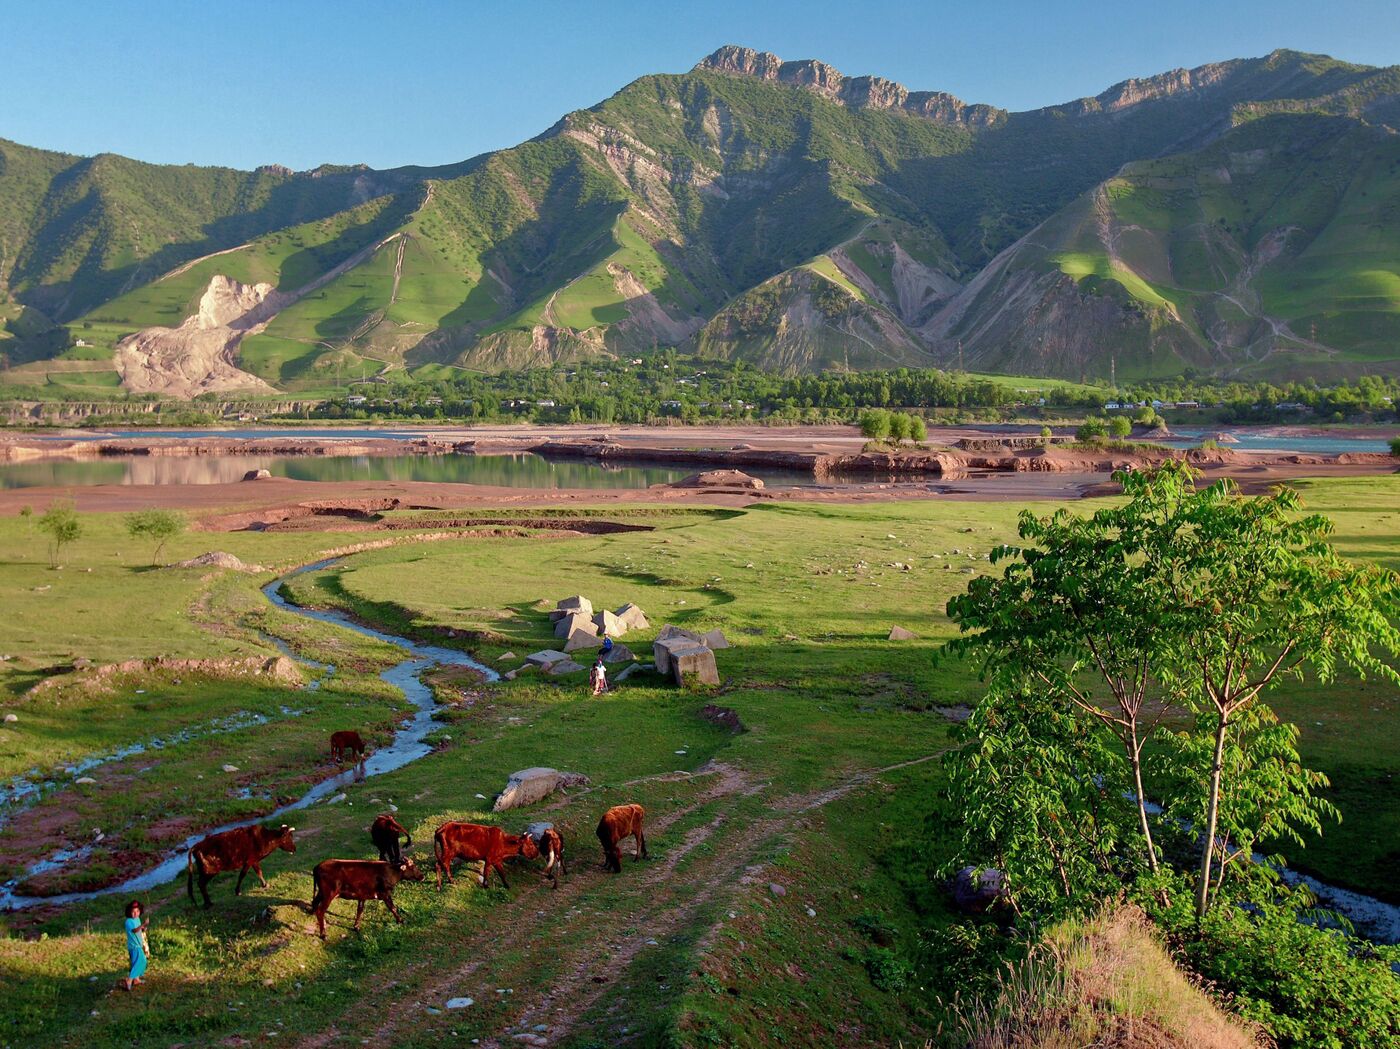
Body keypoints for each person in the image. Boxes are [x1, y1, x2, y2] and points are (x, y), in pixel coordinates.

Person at [122, 900, 149, 990]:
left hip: (138, 944)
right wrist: (143, 925)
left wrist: (144, 927)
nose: (135, 913)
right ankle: (129, 979)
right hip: (134, 946)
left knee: (135, 962)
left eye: (137, 911)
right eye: (133, 912)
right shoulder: (128, 921)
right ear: (129, 912)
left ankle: (136, 979)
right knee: (141, 961)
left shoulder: (137, 919)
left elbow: (139, 930)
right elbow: (134, 930)